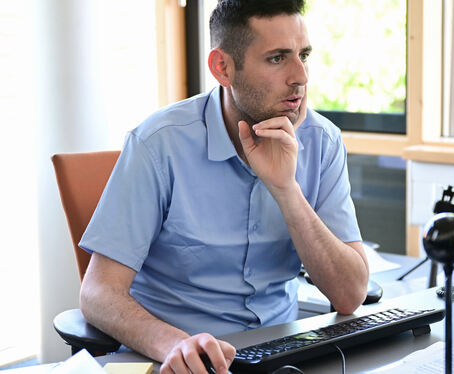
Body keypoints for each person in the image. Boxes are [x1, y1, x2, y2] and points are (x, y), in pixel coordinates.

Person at [78, 1, 369, 373]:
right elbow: (98, 294)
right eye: (278, 58)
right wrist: (176, 344)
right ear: (223, 68)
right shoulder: (159, 144)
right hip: (182, 361)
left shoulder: (323, 141)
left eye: (304, 55)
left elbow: (349, 296)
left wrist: (286, 190)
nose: (301, 76)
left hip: (282, 359)